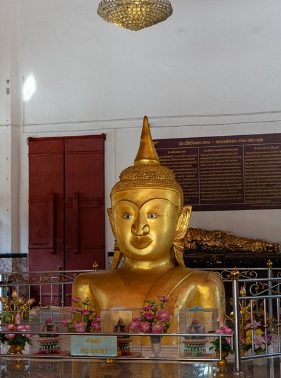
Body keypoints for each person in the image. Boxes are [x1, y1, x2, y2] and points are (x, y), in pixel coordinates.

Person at [72, 117, 223, 322]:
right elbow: (84, 339)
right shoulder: (89, 285)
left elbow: (210, 340)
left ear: (181, 221)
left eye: (152, 215)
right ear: (113, 222)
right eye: (127, 216)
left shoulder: (201, 284)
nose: (139, 228)